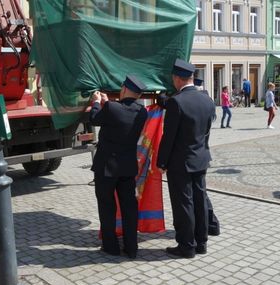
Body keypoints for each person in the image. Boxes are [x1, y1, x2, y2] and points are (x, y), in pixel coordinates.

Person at [157, 59, 215, 258]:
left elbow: (169, 136)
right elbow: (206, 133)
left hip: (180, 163)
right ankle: (201, 243)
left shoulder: (177, 102)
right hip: (200, 159)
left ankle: (186, 246)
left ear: (177, 79)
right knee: (199, 202)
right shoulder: (207, 99)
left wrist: (162, 162)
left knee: (184, 204)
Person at [90, 74, 148, 258]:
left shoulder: (112, 108)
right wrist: (108, 104)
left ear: (123, 89)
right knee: (129, 209)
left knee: (107, 207)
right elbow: (118, 113)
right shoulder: (142, 112)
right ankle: (131, 248)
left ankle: (111, 246)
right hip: (127, 168)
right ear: (138, 95)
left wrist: (98, 102)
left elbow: (94, 118)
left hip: (107, 167)